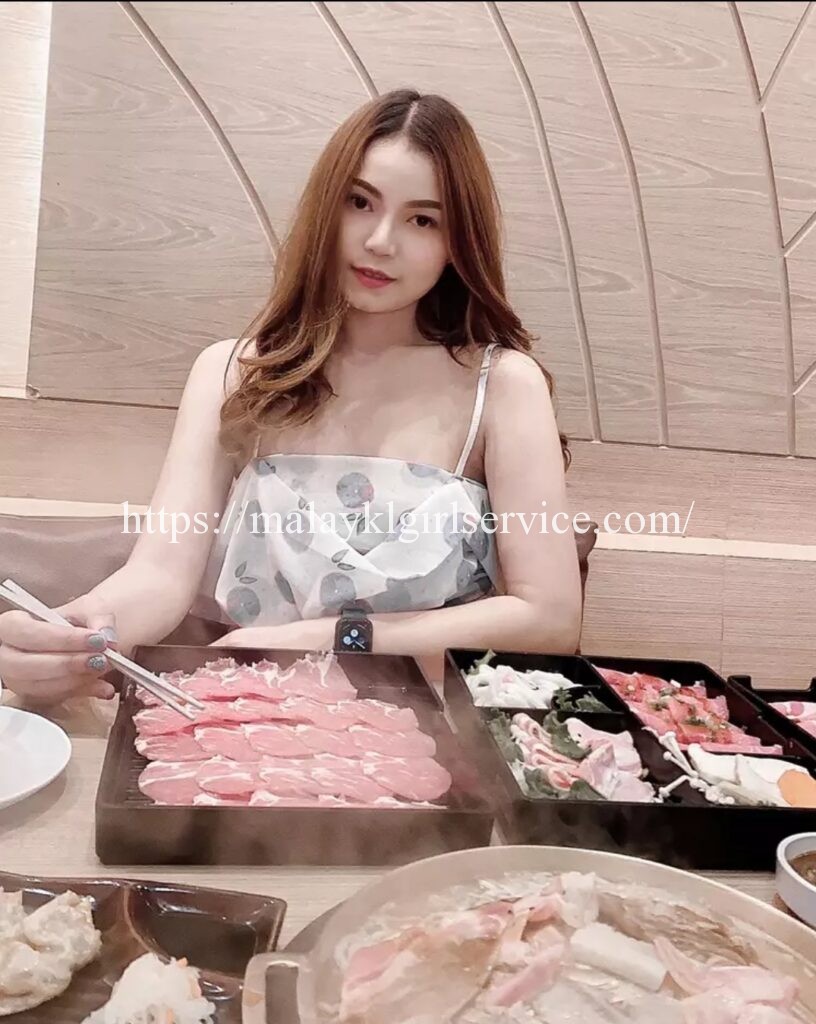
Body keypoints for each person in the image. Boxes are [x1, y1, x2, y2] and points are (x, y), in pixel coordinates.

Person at [0, 88, 582, 703]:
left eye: (423, 219)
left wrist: (337, 637)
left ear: (457, 241)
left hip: (430, 726)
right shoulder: (234, 372)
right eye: (360, 202)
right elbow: (161, 574)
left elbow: (547, 618)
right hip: (244, 715)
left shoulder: (501, 385)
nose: (381, 240)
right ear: (325, 207)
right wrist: (80, 630)